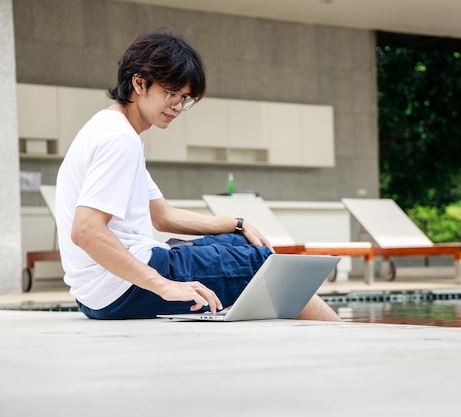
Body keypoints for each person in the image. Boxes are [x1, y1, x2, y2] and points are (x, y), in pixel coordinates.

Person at [54, 30, 340, 321]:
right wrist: (165, 287)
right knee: (262, 262)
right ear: (140, 83)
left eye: (185, 98)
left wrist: (236, 224)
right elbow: (87, 231)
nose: (178, 107)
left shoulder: (109, 128)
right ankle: (339, 337)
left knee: (242, 245)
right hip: (121, 290)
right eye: (171, 94)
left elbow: (162, 216)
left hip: (101, 293)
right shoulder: (119, 140)